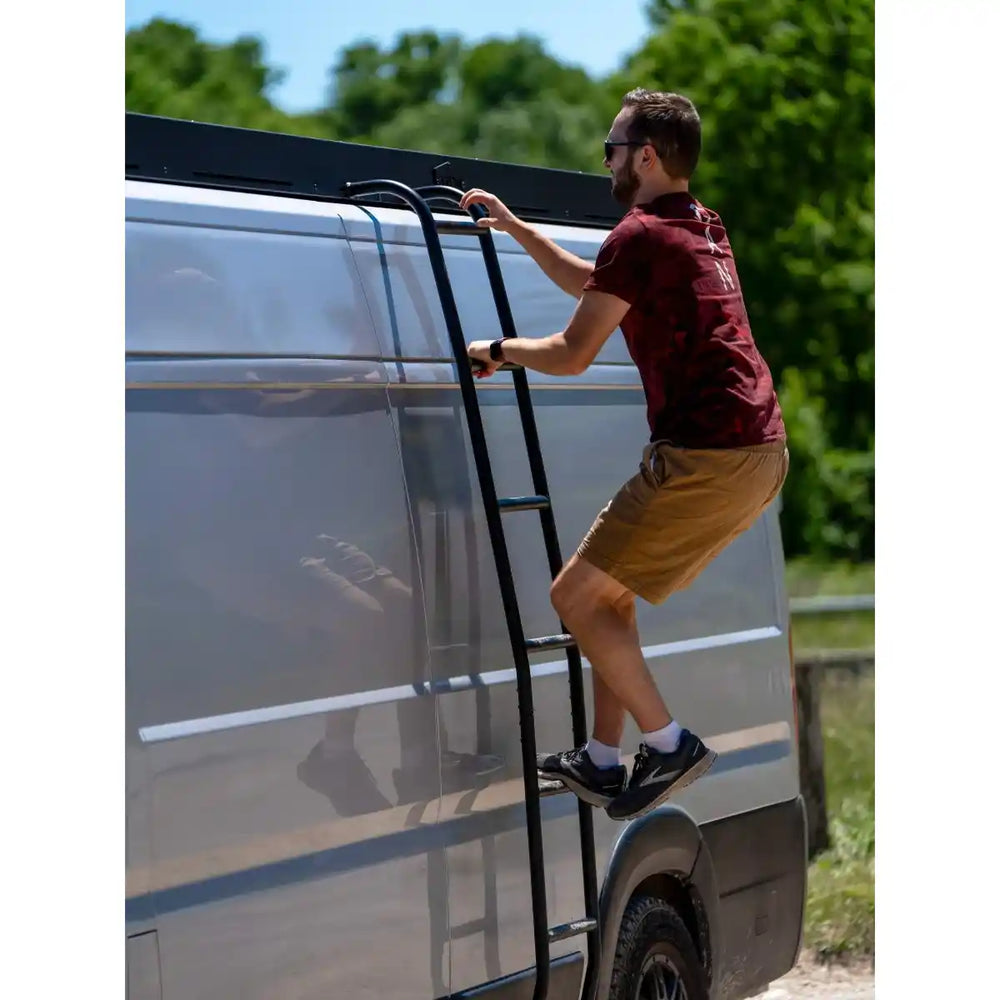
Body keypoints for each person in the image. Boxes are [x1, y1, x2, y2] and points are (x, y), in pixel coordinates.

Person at [461, 88, 788, 821]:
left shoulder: (640, 234)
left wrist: (494, 351)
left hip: (707, 451)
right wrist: (515, 228)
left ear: (643, 155)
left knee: (572, 598)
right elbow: (598, 284)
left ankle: (668, 744)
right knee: (607, 599)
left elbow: (574, 353)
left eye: (610, 149)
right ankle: (605, 760)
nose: (604, 160)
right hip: (756, 449)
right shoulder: (700, 227)